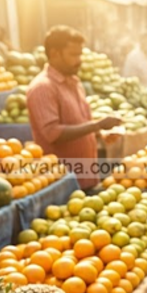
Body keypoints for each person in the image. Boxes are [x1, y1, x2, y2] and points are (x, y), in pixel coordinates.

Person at [26, 26, 122, 190]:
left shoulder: (74, 82)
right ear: (55, 53)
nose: (79, 60)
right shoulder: (43, 88)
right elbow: (52, 133)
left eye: (80, 54)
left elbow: (79, 121)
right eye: (73, 55)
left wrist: (99, 134)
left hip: (87, 176)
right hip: (63, 182)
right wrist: (97, 125)